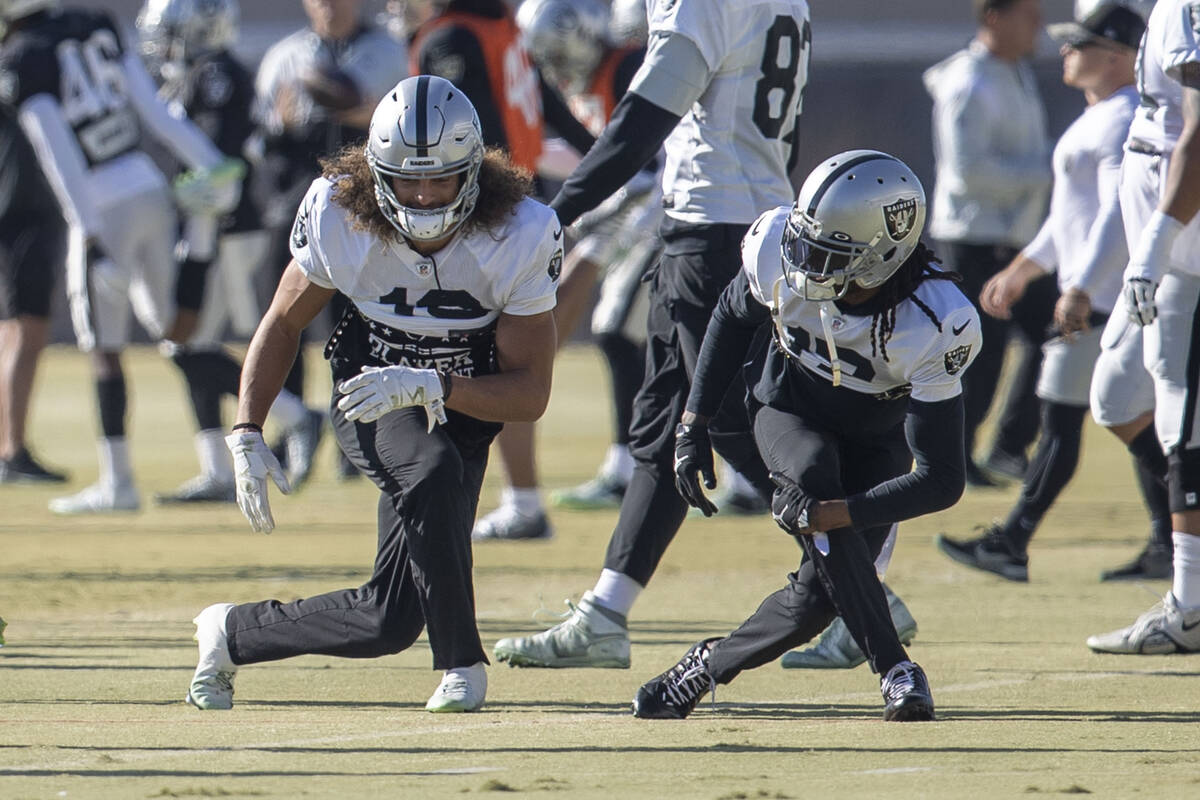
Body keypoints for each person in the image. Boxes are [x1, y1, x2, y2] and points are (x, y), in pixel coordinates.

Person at [185, 75, 562, 713]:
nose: (420, 195)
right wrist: (247, 427)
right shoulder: (339, 212)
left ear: (473, 171)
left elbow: (529, 394)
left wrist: (436, 382)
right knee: (432, 468)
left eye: (438, 178)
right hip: (369, 392)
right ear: (373, 170)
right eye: (405, 178)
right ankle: (461, 662)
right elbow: (282, 321)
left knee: (388, 619)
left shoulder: (520, 231)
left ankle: (229, 632)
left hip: (464, 400)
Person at [491, 0, 813, 669]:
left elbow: (645, 117)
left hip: (714, 226)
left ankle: (861, 578)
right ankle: (605, 613)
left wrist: (558, 213)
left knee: (730, 423)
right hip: (743, 214)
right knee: (667, 426)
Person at [630, 151, 977, 723]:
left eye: (828, 255)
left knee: (816, 601)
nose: (802, 265)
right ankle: (896, 670)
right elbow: (731, 315)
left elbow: (942, 480)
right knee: (813, 481)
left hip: (877, 442)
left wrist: (844, 514)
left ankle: (704, 666)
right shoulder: (774, 250)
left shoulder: (934, 321)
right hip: (789, 414)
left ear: (881, 257)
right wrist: (692, 425)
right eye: (803, 242)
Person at [936, 3, 1152, 582]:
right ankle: (1164, 538)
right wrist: (1025, 270)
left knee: (1079, 416)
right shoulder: (1102, 115)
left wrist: (1079, 287)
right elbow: (1069, 218)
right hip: (1092, 293)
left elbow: (1115, 213)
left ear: (1118, 56)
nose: (1065, 51)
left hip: (1100, 299)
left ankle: (1014, 540)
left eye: (1080, 44)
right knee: (1122, 417)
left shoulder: (1123, 117)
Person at [0, 0, 241, 513]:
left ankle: (118, 483)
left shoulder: (23, 55)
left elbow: (56, 150)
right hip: (147, 184)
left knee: (104, 349)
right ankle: (285, 416)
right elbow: (155, 112)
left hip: (99, 203)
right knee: (178, 331)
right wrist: (215, 166)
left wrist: (88, 235)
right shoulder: (93, 23)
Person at [468, 0, 656, 538]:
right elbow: (578, 150)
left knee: (528, 346)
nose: (552, 70)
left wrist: (588, 208)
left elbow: (640, 158)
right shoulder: (525, 57)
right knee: (613, 332)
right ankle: (619, 469)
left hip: (656, 208)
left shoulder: (624, 67)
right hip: (628, 206)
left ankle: (727, 473)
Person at [135, 0, 318, 502]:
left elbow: (214, 168)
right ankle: (217, 468)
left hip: (226, 229)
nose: (165, 46)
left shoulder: (216, 74)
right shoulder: (201, 73)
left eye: (172, 34)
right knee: (192, 344)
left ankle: (295, 418)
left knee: (186, 345)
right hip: (215, 226)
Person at [252, 0, 408, 482]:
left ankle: (356, 435)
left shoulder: (386, 50)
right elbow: (259, 137)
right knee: (283, 321)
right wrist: (283, 125)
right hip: (297, 208)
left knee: (358, 325)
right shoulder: (284, 55)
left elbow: (371, 109)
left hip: (365, 211)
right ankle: (292, 427)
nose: (330, 6)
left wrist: (334, 100)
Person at [1087, 0, 1200, 654]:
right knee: (1118, 394)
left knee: (1179, 412)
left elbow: (1199, 129)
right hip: (1159, 253)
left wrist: (1157, 247)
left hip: (1183, 254)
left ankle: (1188, 604)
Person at [924, 0, 1054, 488]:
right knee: (977, 353)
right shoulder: (967, 80)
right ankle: (957, 456)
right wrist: (1044, 170)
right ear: (994, 17)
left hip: (1015, 240)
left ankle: (1006, 445)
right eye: (1028, 13)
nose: (1038, 24)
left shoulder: (1013, 73)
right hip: (973, 239)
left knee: (1058, 329)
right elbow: (966, 172)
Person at [0, 100, 66, 484]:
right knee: (26, 332)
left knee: (12, 333)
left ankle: (9, 447)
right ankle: (13, 450)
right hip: (22, 213)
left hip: (14, 214)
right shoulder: (21, 69)